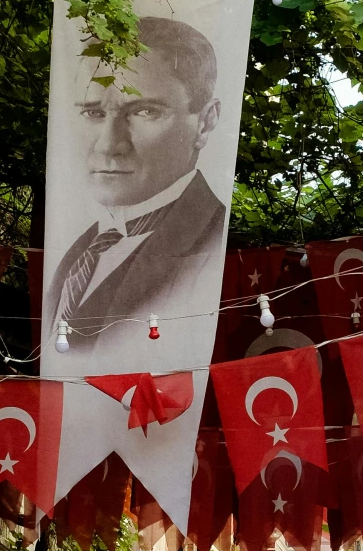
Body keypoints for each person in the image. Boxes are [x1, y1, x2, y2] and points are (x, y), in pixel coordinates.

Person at [42, 19, 228, 358]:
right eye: (94, 113)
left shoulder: (217, 248)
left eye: (144, 111)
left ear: (205, 121)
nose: (109, 145)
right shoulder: (77, 253)